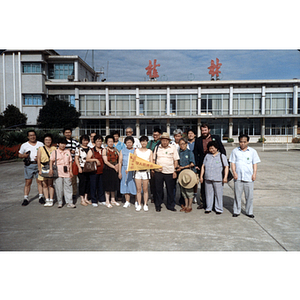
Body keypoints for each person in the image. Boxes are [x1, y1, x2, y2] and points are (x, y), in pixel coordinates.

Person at [194, 123, 226, 210]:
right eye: (202, 130)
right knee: (204, 185)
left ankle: (216, 205)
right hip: (203, 164)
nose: (203, 132)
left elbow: (222, 149)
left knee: (216, 186)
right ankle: (205, 203)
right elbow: (195, 152)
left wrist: (223, 161)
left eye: (205, 130)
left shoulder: (215, 137)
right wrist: (197, 164)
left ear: (209, 130)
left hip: (216, 163)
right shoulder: (198, 140)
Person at [229, 134, 261, 218]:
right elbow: (232, 162)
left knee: (249, 196)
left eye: (244, 142)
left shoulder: (252, 151)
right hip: (238, 177)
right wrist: (234, 173)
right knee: (237, 195)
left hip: (249, 177)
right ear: (238, 142)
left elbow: (255, 163)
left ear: (248, 142)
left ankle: (249, 212)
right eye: (241, 142)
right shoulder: (235, 151)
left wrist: (254, 174)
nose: (242, 144)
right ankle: (236, 211)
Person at [200, 141, 228, 215]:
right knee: (208, 194)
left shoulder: (222, 156)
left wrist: (225, 177)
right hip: (208, 178)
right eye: (210, 148)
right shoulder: (207, 156)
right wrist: (201, 176)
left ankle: (218, 208)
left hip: (218, 178)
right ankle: (208, 208)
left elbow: (226, 167)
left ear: (216, 148)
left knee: (218, 194)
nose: (211, 150)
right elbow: (203, 166)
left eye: (213, 148)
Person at [153, 132, 179, 212]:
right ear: (161, 140)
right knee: (158, 189)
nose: (164, 142)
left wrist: (175, 171)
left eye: (166, 140)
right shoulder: (157, 148)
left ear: (169, 141)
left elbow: (176, 160)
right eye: (163, 140)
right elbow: (154, 160)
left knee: (170, 190)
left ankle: (170, 205)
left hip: (170, 171)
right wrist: (154, 169)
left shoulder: (173, 147)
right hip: (159, 172)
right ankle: (158, 205)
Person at [18, 130, 44, 206]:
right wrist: (24, 156)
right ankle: (26, 198)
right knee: (28, 182)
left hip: (38, 165)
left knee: (40, 182)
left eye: (34, 135)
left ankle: (41, 197)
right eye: (31, 135)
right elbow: (19, 155)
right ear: (28, 137)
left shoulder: (40, 144)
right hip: (29, 165)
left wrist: (40, 158)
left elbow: (44, 153)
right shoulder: (24, 145)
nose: (32, 137)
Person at [49, 137, 75, 208]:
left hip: (67, 171)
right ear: (58, 144)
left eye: (64, 144)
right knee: (59, 187)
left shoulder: (67, 151)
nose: (63, 145)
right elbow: (51, 161)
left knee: (68, 187)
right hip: (58, 171)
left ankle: (69, 202)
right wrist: (51, 169)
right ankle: (60, 202)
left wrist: (71, 171)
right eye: (61, 144)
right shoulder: (55, 152)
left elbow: (70, 162)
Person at [177, 138, 197, 212]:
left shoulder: (190, 152)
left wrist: (184, 167)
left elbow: (192, 163)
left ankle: (190, 206)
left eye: (183, 144)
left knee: (189, 191)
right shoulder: (179, 153)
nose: (182, 145)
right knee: (183, 191)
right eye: (180, 144)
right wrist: (179, 167)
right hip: (182, 174)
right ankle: (185, 205)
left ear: (186, 144)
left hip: (189, 174)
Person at [134, 136, 153, 212]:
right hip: (138, 172)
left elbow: (151, 162)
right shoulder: (136, 151)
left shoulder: (150, 151)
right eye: (142, 141)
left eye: (145, 141)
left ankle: (145, 204)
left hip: (146, 172)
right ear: (140, 142)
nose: (144, 143)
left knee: (145, 189)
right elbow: (134, 161)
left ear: (147, 142)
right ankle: (139, 204)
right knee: (138, 189)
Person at [37, 133, 56, 207]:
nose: (48, 141)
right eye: (46, 140)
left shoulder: (54, 148)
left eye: (49, 140)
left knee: (50, 184)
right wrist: (39, 170)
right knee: (44, 184)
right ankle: (46, 199)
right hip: (43, 168)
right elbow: (38, 160)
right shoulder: (40, 148)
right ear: (44, 141)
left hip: (51, 168)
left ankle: (51, 199)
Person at [86, 134, 105, 207]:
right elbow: (87, 159)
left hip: (102, 171)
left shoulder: (103, 150)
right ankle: (94, 200)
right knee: (93, 186)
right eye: (97, 141)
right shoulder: (92, 150)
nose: (99, 143)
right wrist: (95, 159)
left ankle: (101, 199)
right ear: (95, 142)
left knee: (101, 186)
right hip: (94, 171)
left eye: (100, 141)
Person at [119, 136, 137, 208]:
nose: (129, 144)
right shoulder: (122, 150)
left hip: (133, 170)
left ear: (133, 143)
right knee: (125, 184)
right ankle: (127, 201)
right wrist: (120, 172)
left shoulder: (136, 150)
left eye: (130, 142)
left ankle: (136, 201)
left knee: (135, 185)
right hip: (124, 170)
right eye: (127, 142)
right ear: (125, 143)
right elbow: (120, 162)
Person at [102, 135, 120, 208]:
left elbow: (119, 158)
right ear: (106, 142)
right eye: (109, 141)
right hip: (108, 169)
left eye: (112, 141)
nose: (111, 143)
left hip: (115, 169)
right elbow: (105, 161)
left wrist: (118, 165)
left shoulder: (115, 149)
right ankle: (107, 201)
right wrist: (114, 167)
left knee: (113, 185)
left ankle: (113, 200)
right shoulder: (105, 150)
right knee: (108, 186)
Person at [63, 128, 80, 200]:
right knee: (65, 180)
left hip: (73, 162)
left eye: (69, 132)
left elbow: (79, 150)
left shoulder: (75, 142)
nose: (68, 134)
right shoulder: (61, 142)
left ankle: (74, 193)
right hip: (63, 163)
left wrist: (74, 152)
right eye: (66, 132)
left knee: (73, 179)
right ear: (64, 133)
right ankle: (65, 194)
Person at [75, 135, 92, 206]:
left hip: (89, 168)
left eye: (87, 140)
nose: (85, 142)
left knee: (88, 183)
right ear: (81, 141)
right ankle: (82, 199)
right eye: (84, 140)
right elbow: (76, 158)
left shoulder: (90, 149)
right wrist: (79, 167)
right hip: (81, 167)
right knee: (82, 183)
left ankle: (86, 198)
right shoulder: (78, 148)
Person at [147, 127, 162, 204]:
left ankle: (160, 197)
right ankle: (153, 196)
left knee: (159, 182)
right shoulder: (150, 143)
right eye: (154, 135)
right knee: (152, 182)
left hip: (159, 164)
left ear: (160, 135)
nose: (155, 136)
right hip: (151, 165)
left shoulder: (162, 142)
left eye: (156, 135)